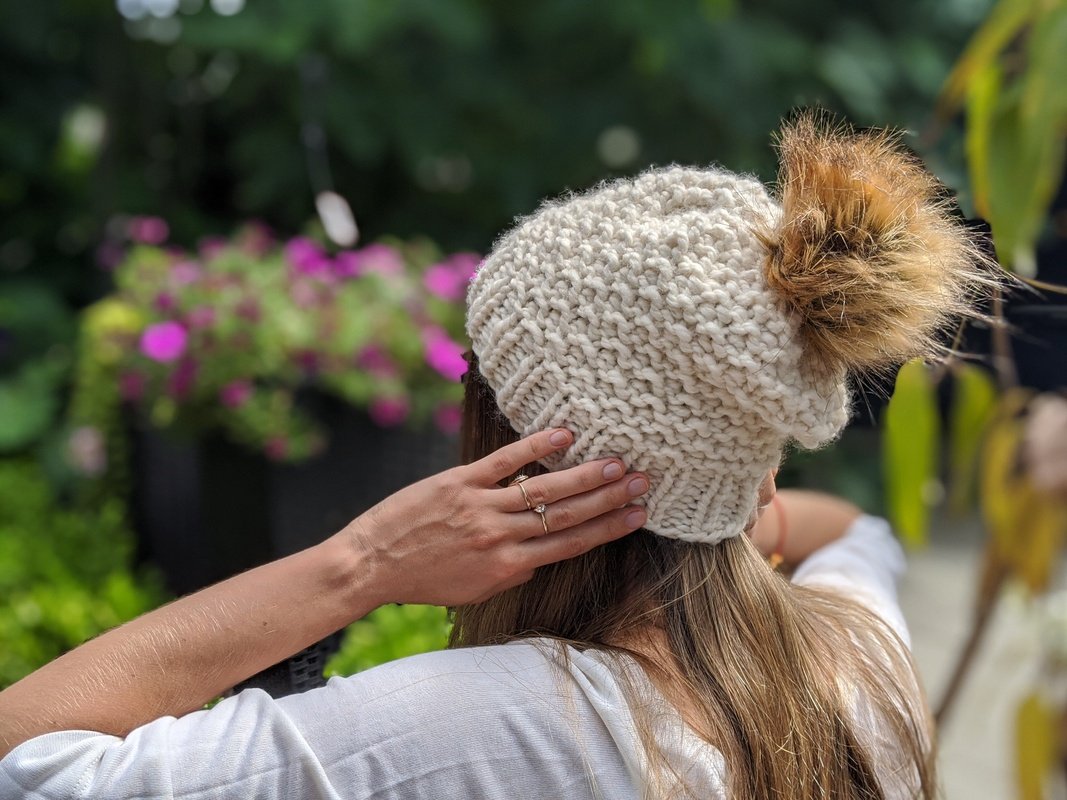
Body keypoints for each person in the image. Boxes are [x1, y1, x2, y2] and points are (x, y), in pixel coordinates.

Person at [0, 113, 994, 799]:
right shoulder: (862, 657)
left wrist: (361, 564)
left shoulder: (491, 723)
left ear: (511, 446)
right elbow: (854, 530)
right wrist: (723, 496)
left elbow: (28, 759)